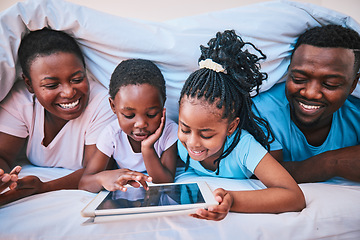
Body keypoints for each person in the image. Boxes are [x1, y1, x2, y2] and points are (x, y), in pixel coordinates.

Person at [177, 30, 305, 221]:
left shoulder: (244, 146)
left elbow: (294, 197)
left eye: (206, 135)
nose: (193, 143)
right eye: (185, 129)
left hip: (271, 150)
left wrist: (233, 200)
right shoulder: (178, 140)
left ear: (231, 127)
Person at [0, 28, 115, 205]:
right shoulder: (21, 101)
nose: (69, 92)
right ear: (29, 84)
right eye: (52, 85)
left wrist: (43, 187)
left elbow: (95, 172)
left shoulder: (101, 103)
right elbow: (4, 156)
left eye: (77, 79)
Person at [253, 24, 360, 183]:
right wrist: (332, 163)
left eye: (330, 84)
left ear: (353, 85)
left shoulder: (355, 116)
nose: (310, 93)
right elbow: (256, 173)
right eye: (299, 79)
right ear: (288, 72)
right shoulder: (261, 112)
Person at [79, 59, 178, 193]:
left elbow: (165, 182)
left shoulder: (170, 131)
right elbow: (84, 183)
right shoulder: (111, 134)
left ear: (162, 104)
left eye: (151, 114)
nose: (141, 124)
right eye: (129, 115)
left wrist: (147, 148)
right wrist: (102, 178)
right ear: (113, 106)